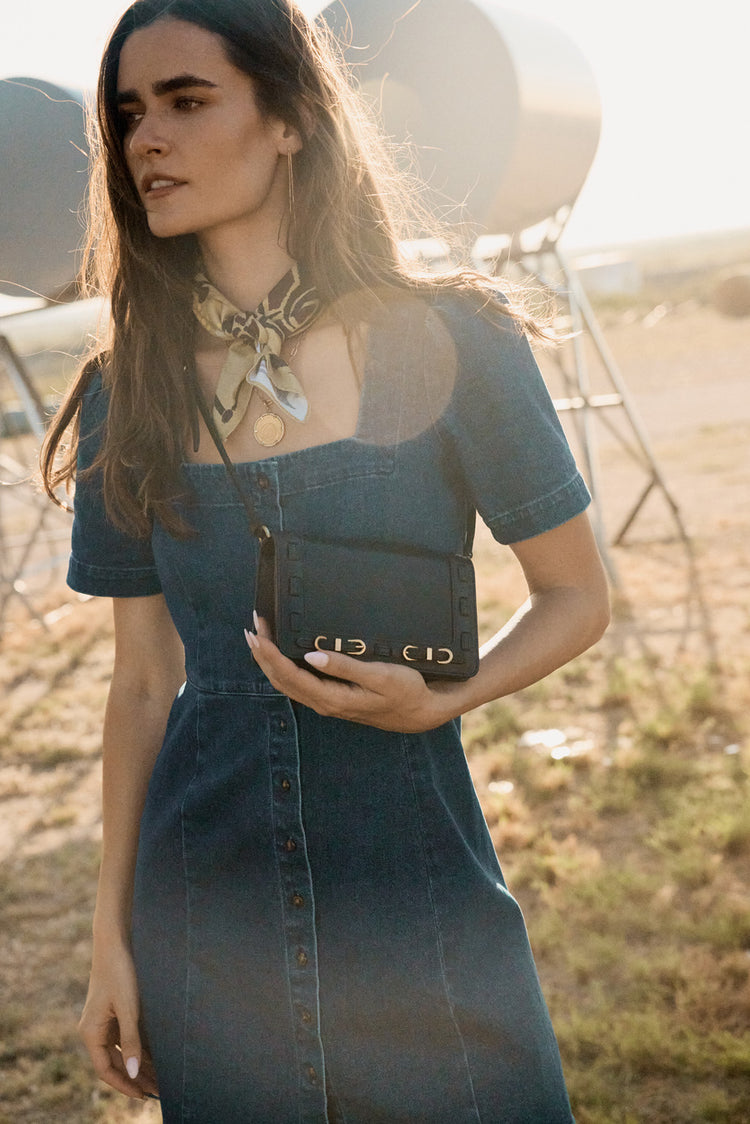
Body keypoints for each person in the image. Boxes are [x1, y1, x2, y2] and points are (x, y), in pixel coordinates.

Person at [42, 0, 609, 1120]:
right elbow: (144, 681)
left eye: (187, 100)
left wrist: (445, 693)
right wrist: (113, 940)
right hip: (209, 922)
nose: (144, 138)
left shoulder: (457, 341)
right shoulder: (129, 390)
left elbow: (576, 594)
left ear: (293, 117)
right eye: (128, 113)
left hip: (422, 903)